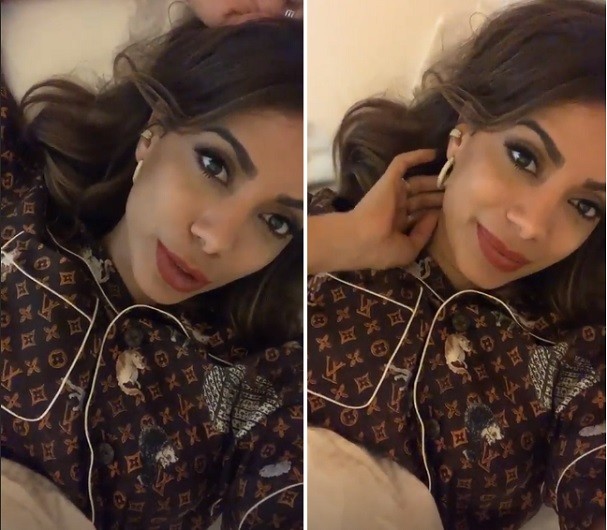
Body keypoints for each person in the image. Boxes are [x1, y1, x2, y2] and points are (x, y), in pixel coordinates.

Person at [306, 1, 605, 529]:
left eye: (584, 206)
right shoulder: (318, 232)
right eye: (524, 157)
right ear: (462, 133)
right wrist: (338, 241)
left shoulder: (574, 358)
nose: (531, 225)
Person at [1, 10, 304, 530]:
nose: (217, 239)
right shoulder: (19, 196)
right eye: (214, 165)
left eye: (276, 221)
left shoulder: (251, 387)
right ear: (154, 131)